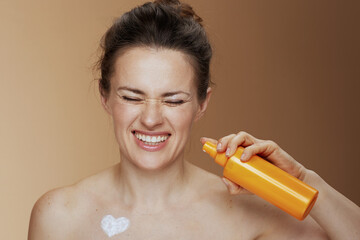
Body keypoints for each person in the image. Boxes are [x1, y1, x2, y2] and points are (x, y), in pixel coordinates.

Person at [28, 0, 360, 239]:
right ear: (105, 96)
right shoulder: (59, 216)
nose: (151, 118)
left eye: (174, 100)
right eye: (132, 97)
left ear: (201, 104)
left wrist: (305, 181)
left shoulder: (252, 216)